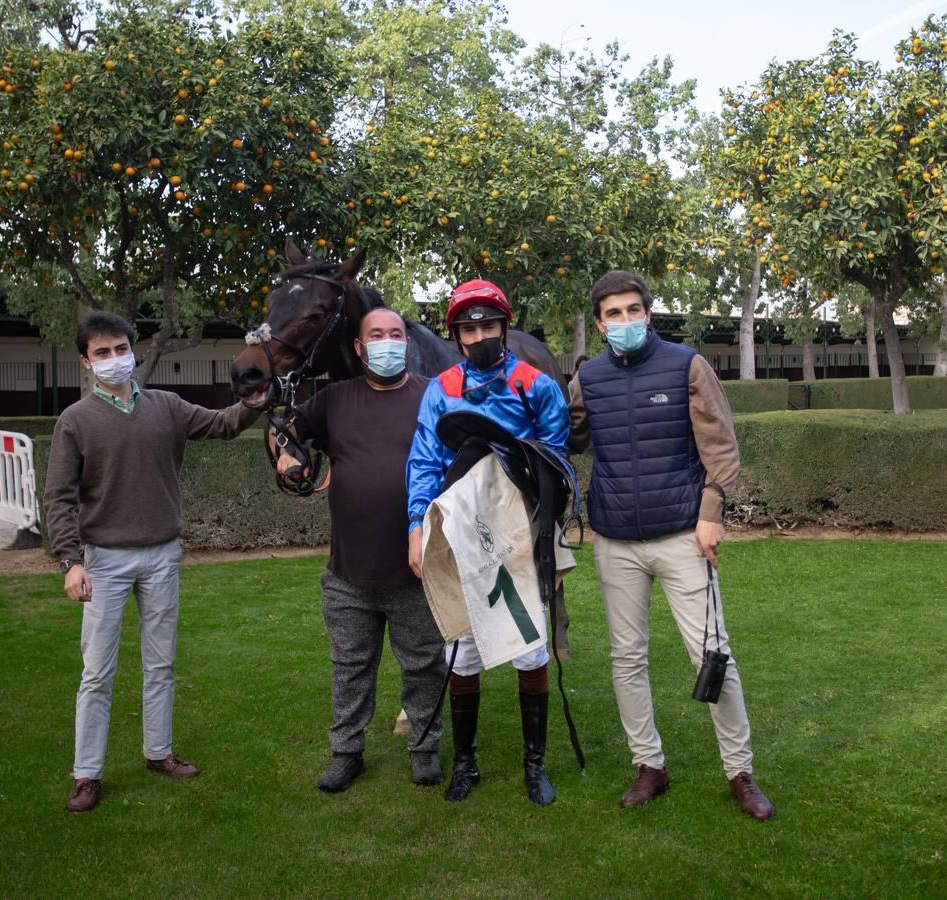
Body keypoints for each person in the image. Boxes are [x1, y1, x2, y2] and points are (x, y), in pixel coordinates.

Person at [567, 270, 774, 819]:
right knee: (626, 659)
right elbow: (568, 436)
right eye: (614, 313)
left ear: (648, 313)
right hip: (616, 541)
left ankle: (740, 771)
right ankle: (650, 766)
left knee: (712, 655)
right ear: (599, 321)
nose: (626, 321)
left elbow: (721, 449)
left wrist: (711, 516)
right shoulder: (587, 377)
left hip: (684, 534)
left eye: (634, 310)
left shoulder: (687, 366)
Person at [45, 310, 265, 814]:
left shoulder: (165, 406)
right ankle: (87, 773)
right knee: (97, 673)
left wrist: (255, 400)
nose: (114, 359)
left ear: (133, 350)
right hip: (103, 562)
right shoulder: (75, 422)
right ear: (86, 362)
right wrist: (69, 562)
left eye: (121, 349)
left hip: (162, 555)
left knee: (161, 664)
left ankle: (158, 752)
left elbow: (221, 424)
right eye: (102, 353)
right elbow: (57, 497)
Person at [405, 279, 570, 807]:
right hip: (458, 531)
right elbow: (425, 460)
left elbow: (557, 458)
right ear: (456, 335)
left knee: (530, 648)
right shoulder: (441, 388)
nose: (479, 336)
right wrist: (416, 525)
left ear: (505, 326)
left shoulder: (536, 385)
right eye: (469, 328)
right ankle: (467, 763)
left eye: (488, 326)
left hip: (519, 531)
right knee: (464, 648)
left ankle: (534, 765)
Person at [272, 307, 447, 793]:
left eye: (396, 334)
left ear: (407, 344)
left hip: (416, 569)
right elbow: (285, 434)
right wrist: (286, 455)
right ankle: (347, 752)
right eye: (377, 335)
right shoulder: (333, 399)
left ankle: (425, 748)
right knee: (350, 668)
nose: (388, 342)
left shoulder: (432, 396)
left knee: (424, 666)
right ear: (358, 346)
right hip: (349, 574)